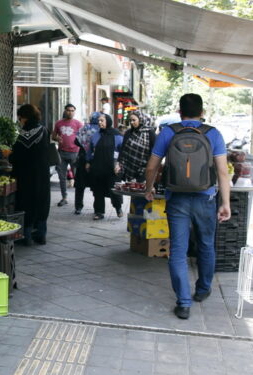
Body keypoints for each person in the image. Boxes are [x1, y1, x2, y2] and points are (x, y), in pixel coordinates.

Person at [144, 94, 231, 320]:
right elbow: (223, 172)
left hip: (177, 200)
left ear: (179, 112)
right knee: (206, 245)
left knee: (178, 251)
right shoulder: (213, 133)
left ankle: (183, 303)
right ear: (202, 112)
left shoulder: (168, 132)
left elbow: (152, 166)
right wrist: (226, 203)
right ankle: (202, 290)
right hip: (206, 199)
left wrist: (148, 188)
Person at [10, 104, 50, 245]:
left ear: (24, 117)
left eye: (20, 117)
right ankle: (41, 234)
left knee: (26, 203)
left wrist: (9, 156)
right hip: (42, 174)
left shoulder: (21, 134)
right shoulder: (44, 130)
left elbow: (16, 156)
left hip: (25, 175)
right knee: (41, 202)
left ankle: (26, 236)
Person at [86, 113, 123, 220]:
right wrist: (88, 162)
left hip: (112, 168)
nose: (99, 123)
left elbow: (122, 151)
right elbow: (90, 150)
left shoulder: (117, 136)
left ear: (108, 121)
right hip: (97, 167)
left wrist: (119, 164)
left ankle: (118, 208)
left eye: (102, 120)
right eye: (98, 121)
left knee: (114, 189)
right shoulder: (96, 135)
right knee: (98, 190)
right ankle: (99, 212)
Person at [52, 104, 83, 207]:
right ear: (65, 111)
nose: (70, 112)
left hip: (75, 153)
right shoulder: (58, 123)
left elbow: (84, 137)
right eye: (69, 110)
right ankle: (64, 197)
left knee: (77, 177)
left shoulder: (78, 124)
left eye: (72, 110)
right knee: (62, 177)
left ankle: (78, 201)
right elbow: (53, 136)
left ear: (75, 112)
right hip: (62, 153)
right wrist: (57, 139)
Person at [73, 112, 101, 215]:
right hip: (96, 161)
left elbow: (76, 141)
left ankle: (78, 207)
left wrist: (84, 144)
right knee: (96, 186)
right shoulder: (100, 130)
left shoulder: (85, 128)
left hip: (83, 159)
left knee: (80, 185)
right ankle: (97, 209)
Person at [117, 110, 156, 182]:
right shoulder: (129, 132)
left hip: (143, 168)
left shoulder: (150, 132)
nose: (132, 122)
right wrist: (119, 163)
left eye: (134, 120)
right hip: (128, 166)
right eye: (130, 120)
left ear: (140, 119)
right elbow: (123, 149)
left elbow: (153, 150)